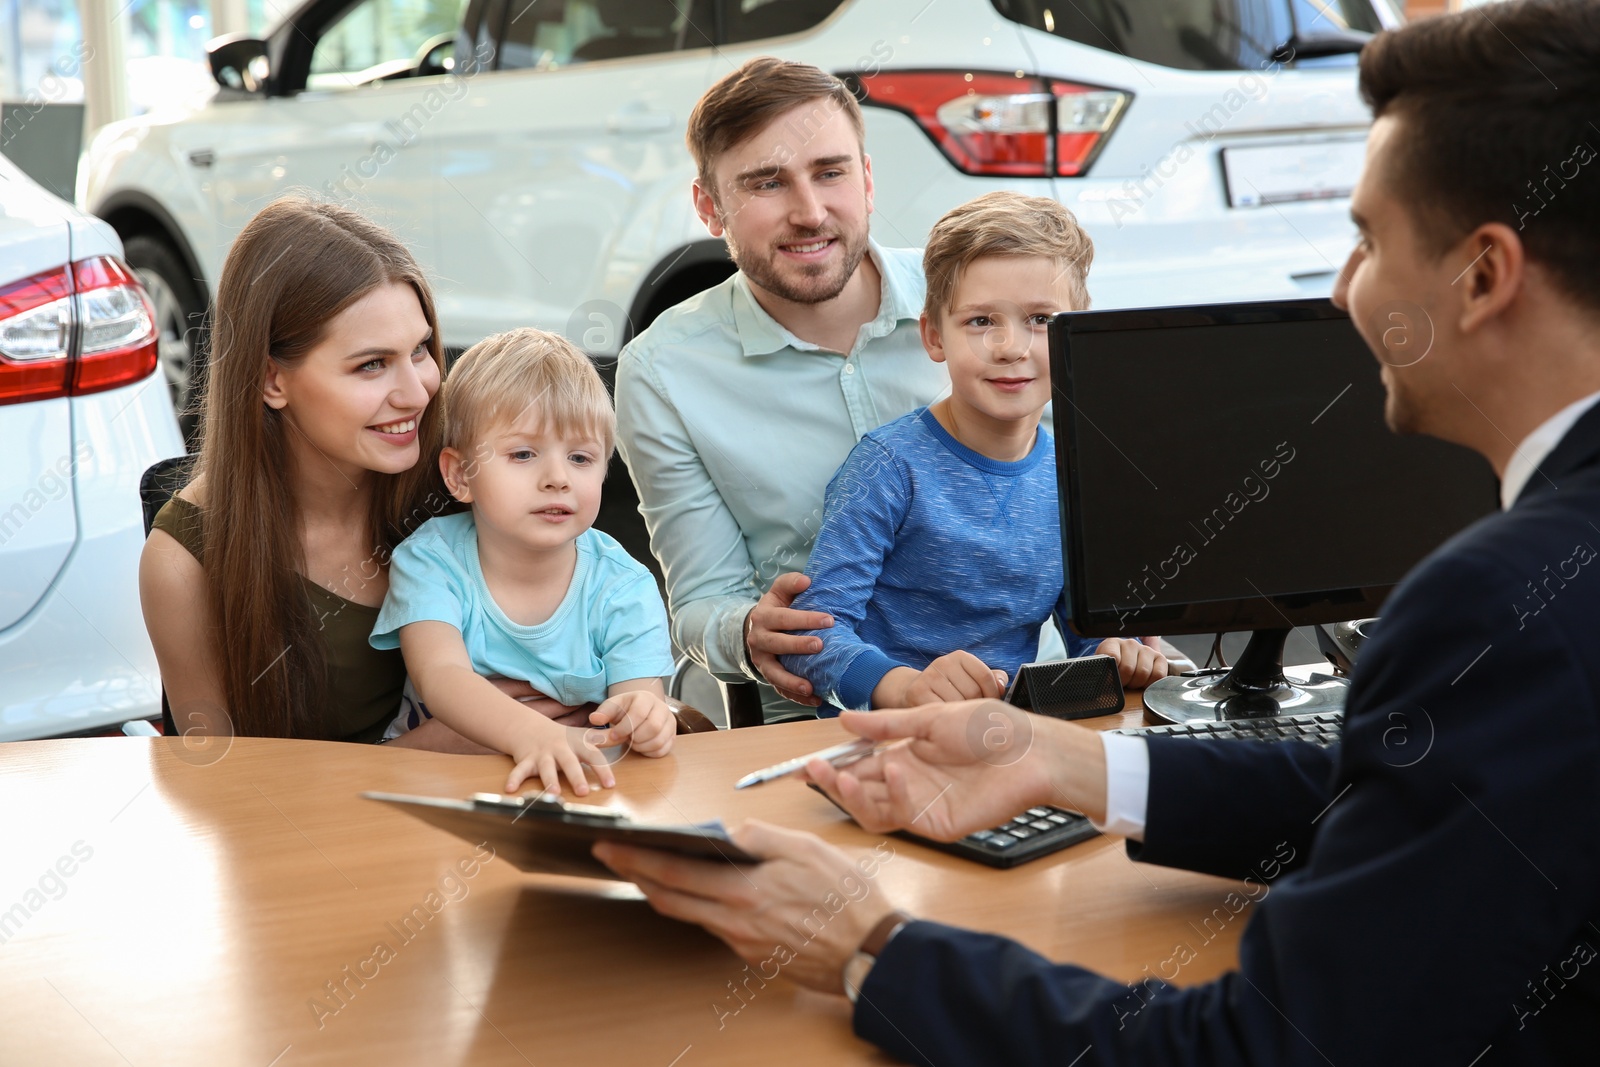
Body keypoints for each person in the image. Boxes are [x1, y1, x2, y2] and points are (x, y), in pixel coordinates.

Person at [594, 2, 1600, 1062]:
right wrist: (1063, 761)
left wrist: (867, 943)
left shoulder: (1494, 605)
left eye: (1364, 238)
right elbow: (1402, 787)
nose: (1344, 287)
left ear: (1483, 275)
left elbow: (1258, 1046)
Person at [615, 58, 1129, 721]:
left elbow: (1083, 503)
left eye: (830, 173)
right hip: (822, 717)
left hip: (1034, 693)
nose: (809, 212)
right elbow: (700, 599)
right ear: (710, 207)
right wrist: (745, 630)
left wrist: (1123, 627)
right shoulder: (663, 372)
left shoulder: (986, 298)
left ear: (865, 178)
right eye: (767, 183)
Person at [779, 191, 1166, 712]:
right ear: (935, 337)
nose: (1011, 347)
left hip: (1009, 737)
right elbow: (815, 636)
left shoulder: (1072, 477)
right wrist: (905, 687)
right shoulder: (887, 466)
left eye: (1041, 320)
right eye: (981, 321)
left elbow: (1085, 636)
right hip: (889, 742)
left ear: (1080, 336)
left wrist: (1115, 650)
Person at [140, 197, 503, 748]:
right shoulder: (184, 561)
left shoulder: (462, 473)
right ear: (271, 381)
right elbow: (222, 793)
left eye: (421, 349)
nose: (417, 393)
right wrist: (437, 748)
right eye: (372, 365)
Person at [370, 329, 677, 795]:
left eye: (580, 457)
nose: (557, 478)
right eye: (523, 454)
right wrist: (533, 733)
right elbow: (442, 676)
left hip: (570, 789)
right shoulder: (432, 560)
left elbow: (639, 701)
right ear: (459, 474)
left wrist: (646, 719)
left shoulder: (623, 586)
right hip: (431, 787)